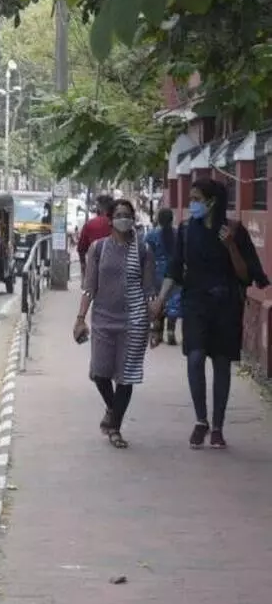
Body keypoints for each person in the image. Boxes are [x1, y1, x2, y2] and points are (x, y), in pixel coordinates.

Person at [153, 179, 269, 449]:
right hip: (194, 303)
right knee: (194, 358)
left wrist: (230, 246)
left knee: (221, 364)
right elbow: (174, 269)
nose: (192, 203)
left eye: (196, 198)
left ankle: (217, 426)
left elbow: (245, 276)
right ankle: (201, 420)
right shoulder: (185, 231)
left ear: (212, 201)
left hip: (226, 304)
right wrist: (160, 300)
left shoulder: (235, 231)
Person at [74, 199, 157, 449]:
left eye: (128, 215)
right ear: (110, 219)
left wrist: (155, 325)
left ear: (133, 219)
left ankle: (116, 427)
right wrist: (80, 319)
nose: (124, 219)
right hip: (102, 321)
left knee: (125, 377)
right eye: (119, 215)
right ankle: (112, 409)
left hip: (134, 321)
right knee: (99, 374)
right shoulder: (98, 249)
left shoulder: (143, 250)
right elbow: (89, 287)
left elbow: (149, 290)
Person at [144, 207, 182, 344]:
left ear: (158, 219)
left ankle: (158, 331)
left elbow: (146, 255)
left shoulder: (151, 235)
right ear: (172, 219)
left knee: (159, 300)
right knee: (173, 302)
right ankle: (171, 331)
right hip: (174, 273)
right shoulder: (178, 234)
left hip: (157, 273)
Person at [76, 193, 114, 274]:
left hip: (94, 269)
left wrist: (83, 266)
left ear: (100, 207)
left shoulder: (90, 224)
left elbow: (81, 249)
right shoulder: (117, 224)